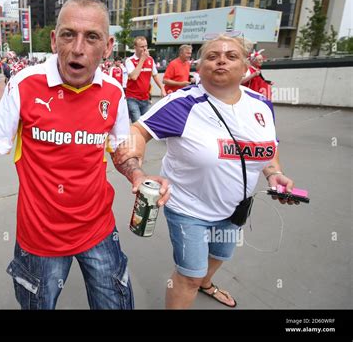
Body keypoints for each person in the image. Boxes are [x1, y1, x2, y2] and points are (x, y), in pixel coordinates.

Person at [0, 0, 169, 310]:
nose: (78, 48)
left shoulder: (113, 92)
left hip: (99, 230)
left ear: (107, 47)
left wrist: (137, 173)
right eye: (68, 35)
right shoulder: (24, 84)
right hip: (39, 240)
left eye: (92, 37)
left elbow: (119, 148)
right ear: (54, 40)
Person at [116, 34, 297, 309]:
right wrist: (137, 171)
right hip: (189, 210)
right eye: (212, 56)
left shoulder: (262, 105)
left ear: (247, 66)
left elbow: (268, 148)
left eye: (231, 56)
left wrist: (274, 174)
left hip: (236, 209)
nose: (221, 60)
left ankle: (206, 283)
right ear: (199, 68)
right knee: (189, 275)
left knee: (220, 254)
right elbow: (135, 132)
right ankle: (194, 283)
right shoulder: (181, 103)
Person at [125, 36, 166, 122]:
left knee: (146, 124)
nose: (144, 49)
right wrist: (142, 60)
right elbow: (134, 76)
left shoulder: (150, 60)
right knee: (137, 122)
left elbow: (154, 75)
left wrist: (162, 88)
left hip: (145, 98)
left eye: (146, 46)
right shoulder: (130, 60)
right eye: (142, 47)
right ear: (135, 47)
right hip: (132, 98)